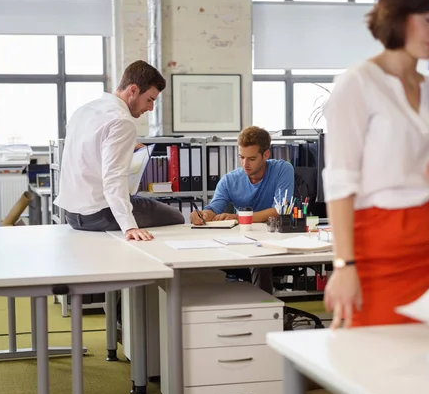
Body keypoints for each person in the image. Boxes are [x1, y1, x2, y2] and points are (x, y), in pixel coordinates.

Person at [322, 0, 429, 329]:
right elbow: (340, 182)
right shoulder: (357, 83)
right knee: (376, 368)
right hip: (377, 251)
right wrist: (344, 265)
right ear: (399, 14)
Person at [54, 60, 185, 241]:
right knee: (176, 216)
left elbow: (86, 151)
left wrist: (127, 145)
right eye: (149, 99)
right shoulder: (122, 121)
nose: (150, 108)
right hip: (101, 215)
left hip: (73, 216)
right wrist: (129, 226)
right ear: (133, 90)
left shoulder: (83, 111)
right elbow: (114, 177)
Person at [191, 126, 294, 293]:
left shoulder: (283, 169)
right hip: (243, 240)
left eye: (252, 158)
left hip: (274, 240)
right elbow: (214, 207)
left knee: (259, 260)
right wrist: (204, 214)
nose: (245, 164)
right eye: (242, 157)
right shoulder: (230, 180)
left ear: (266, 155)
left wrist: (239, 218)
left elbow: (280, 210)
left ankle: (263, 312)